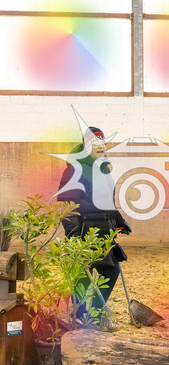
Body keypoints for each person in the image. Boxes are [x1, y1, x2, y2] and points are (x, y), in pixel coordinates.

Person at [57, 126, 131, 329]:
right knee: (83, 276)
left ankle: (96, 315)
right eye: (94, 143)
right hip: (85, 231)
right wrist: (74, 234)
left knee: (111, 271)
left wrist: (118, 221)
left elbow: (108, 203)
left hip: (105, 231)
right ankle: (80, 316)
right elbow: (66, 204)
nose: (101, 146)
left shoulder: (104, 170)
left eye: (102, 142)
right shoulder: (74, 170)